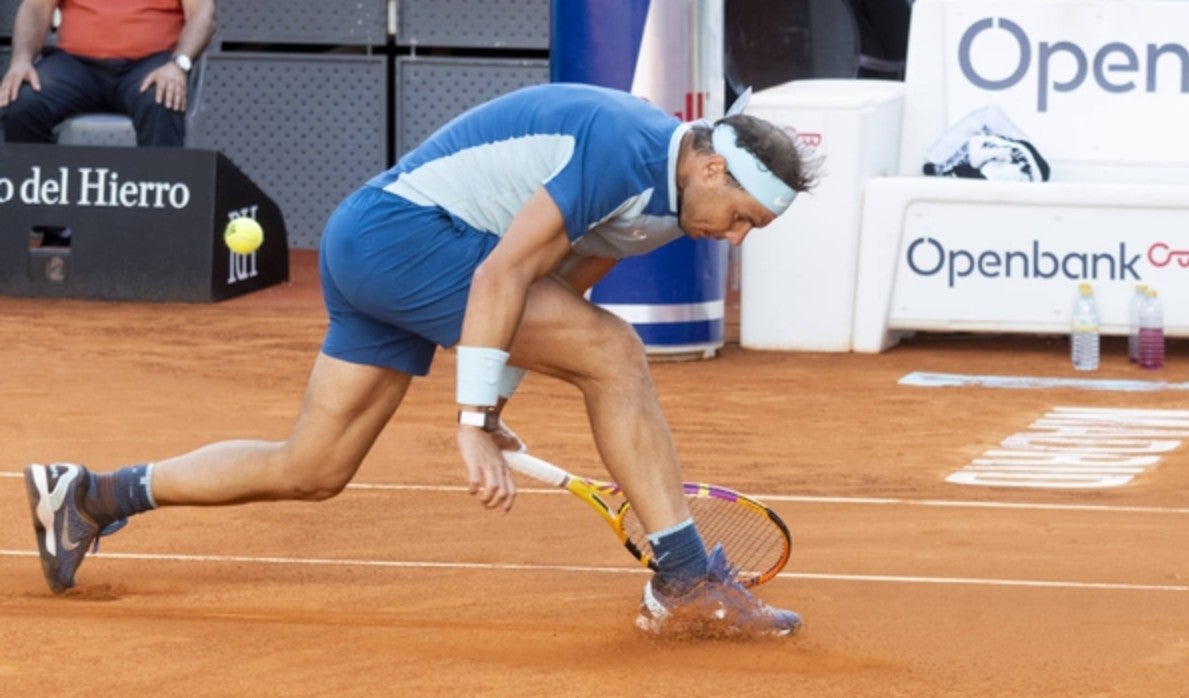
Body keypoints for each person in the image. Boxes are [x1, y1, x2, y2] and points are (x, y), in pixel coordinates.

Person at [21, 82, 816, 637]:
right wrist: (471, 421)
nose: (736, 237)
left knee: (314, 466)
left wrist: (495, 405)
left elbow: (554, 287)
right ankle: (682, 574)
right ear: (713, 169)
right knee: (616, 353)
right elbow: (503, 274)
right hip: (403, 237)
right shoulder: (627, 150)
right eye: (741, 216)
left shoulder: (675, 203)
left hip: (377, 239)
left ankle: (91, 496)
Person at [0, 0, 216, 146]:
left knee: (162, 100)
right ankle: (36, 203)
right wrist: (21, 60)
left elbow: (202, 14)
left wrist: (178, 65)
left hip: (150, 66)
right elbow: (35, 8)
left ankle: (160, 207)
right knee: (22, 102)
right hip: (76, 66)